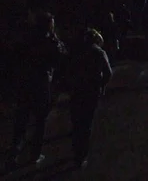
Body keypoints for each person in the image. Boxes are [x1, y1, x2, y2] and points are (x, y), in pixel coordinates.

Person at [6, 11, 67, 171]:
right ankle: (34, 154)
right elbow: (61, 58)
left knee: (21, 120)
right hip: (41, 84)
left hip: (25, 83)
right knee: (40, 121)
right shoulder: (51, 42)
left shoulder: (27, 39)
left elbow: (14, 58)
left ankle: (14, 152)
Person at [68, 28, 112, 169]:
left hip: (76, 90)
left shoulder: (76, 51)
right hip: (92, 91)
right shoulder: (99, 53)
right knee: (87, 123)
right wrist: (101, 85)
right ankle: (81, 156)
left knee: (76, 122)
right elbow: (108, 73)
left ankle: (75, 151)